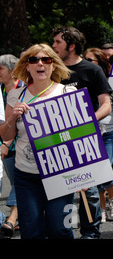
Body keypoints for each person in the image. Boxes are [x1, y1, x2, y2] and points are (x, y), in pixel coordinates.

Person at [0, 44, 76, 239]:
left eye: (46, 60)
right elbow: (6, 135)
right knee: (31, 232)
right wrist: (11, 118)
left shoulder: (67, 92)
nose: (40, 64)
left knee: (60, 229)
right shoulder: (15, 95)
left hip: (60, 174)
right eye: (34, 60)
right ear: (27, 66)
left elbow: (80, 136)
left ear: (53, 65)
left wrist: (84, 173)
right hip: (27, 176)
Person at [52, 26, 112, 239]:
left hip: (86, 140)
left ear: (72, 45)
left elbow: (106, 105)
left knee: (90, 192)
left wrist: (86, 122)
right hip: (57, 143)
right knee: (60, 192)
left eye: (58, 42)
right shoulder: (51, 71)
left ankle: (90, 234)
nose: (53, 46)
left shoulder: (92, 70)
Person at [83, 48, 113, 223]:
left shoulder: (111, 81)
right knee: (96, 173)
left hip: (109, 133)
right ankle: (102, 208)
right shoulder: (81, 82)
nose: (86, 63)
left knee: (105, 169)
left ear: (100, 64)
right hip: (90, 134)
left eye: (91, 60)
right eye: (85, 59)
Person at [0, 54, 24, 237]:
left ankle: (11, 219)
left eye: (1, 69)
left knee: (20, 181)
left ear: (12, 71)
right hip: (5, 145)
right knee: (15, 181)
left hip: (22, 145)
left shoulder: (23, 89)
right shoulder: (0, 91)